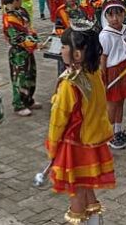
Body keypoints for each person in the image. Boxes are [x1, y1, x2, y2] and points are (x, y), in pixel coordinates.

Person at [46, 26, 115, 225]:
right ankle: (95, 221)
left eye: (64, 46)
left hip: (75, 144)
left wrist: (52, 146)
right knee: (86, 187)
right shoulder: (95, 73)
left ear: (77, 53)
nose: (61, 50)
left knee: (76, 190)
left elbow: (58, 119)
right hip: (93, 141)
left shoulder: (70, 83)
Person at [99, 0, 126, 150]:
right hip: (113, 71)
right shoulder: (105, 35)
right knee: (112, 104)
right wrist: (104, 78)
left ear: (124, 15)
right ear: (105, 16)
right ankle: (108, 134)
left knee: (120, 102)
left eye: (119, 14)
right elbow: (104, 57)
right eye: (111, 15)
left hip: (125, 69)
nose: (115, 19)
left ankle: (118, 130)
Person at [2, 0, 40, 117]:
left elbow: (29, 27)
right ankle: (18, 104)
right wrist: (34, 43)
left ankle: (28, 99)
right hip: (18, 53)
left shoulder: (22, 11)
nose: (20, 1)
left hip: (28, 51)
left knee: (31, 76)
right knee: (19, 78)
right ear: (13, 0)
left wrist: (34, 37)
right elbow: (16, 38)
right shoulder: (9, 18)